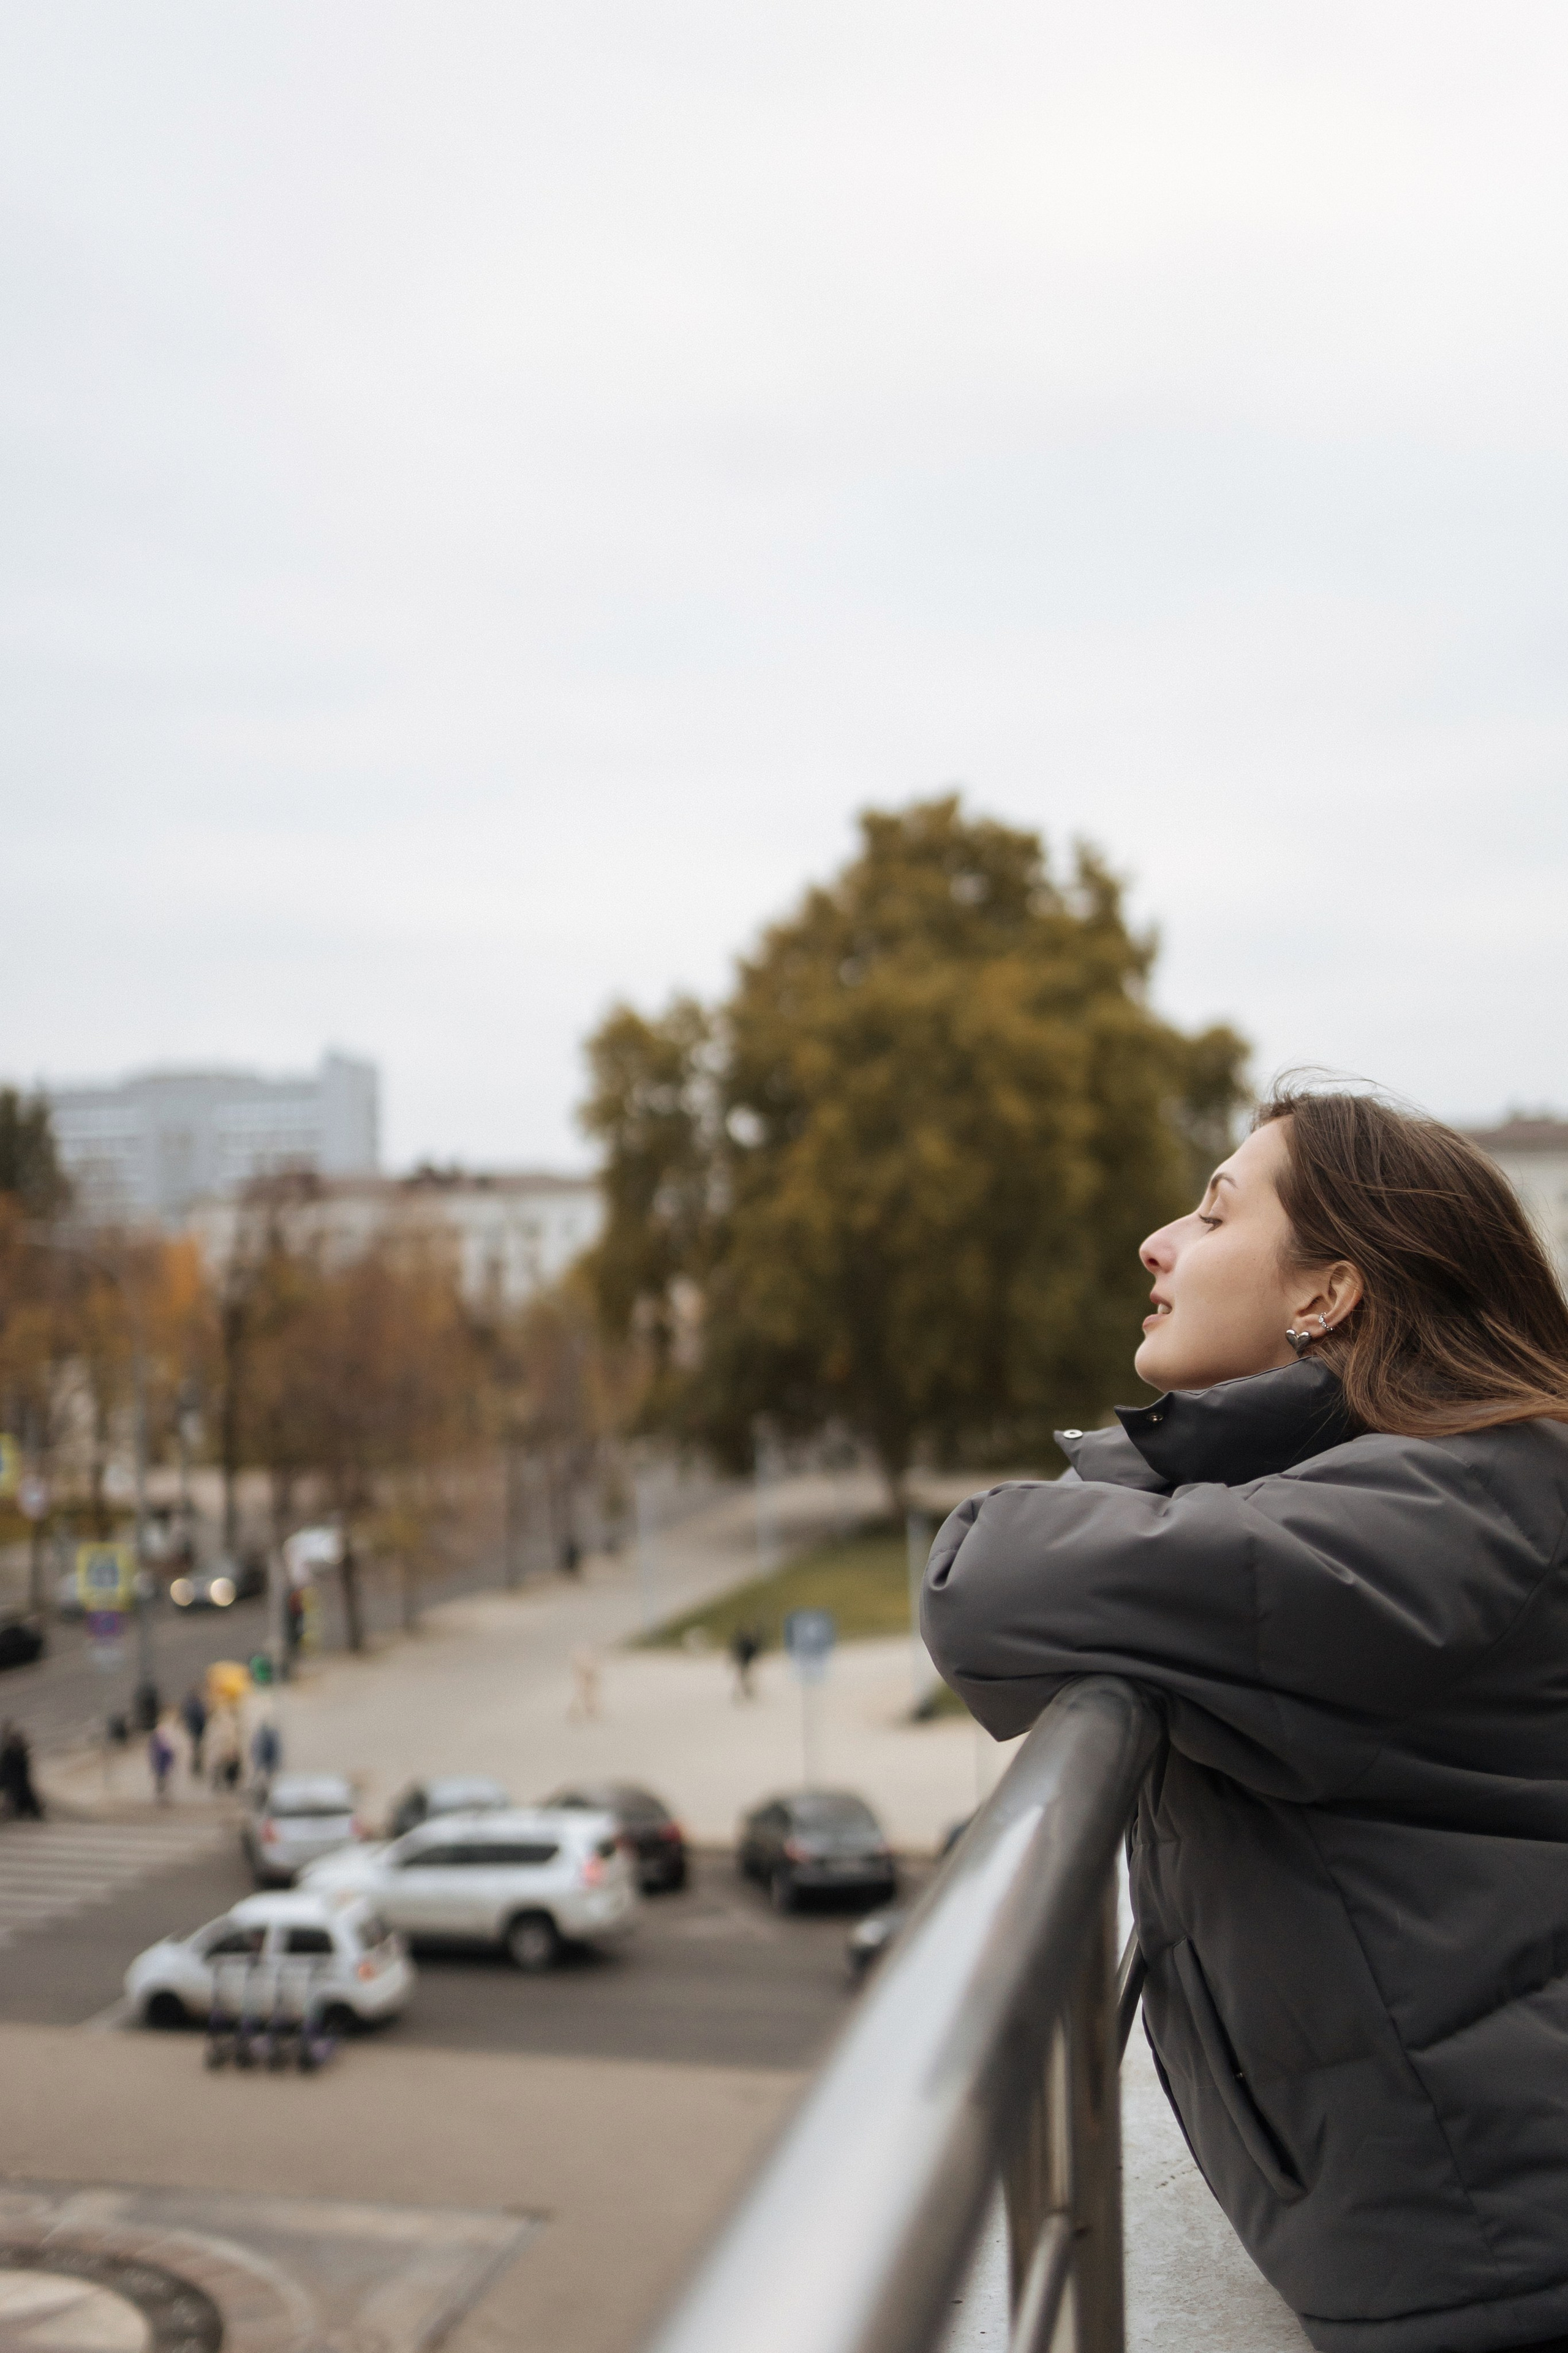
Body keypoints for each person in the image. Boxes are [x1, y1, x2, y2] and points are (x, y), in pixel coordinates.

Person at [923, 1089, 1568, 2353]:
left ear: (1324, 1295)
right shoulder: (1436, 1482)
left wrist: (1174, 1452)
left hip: (1501, 2273)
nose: (1155, 1243)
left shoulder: (1450, 1506)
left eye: (1213, 1212)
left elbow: (982, 1581)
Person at [0, 1721, 43, 1818]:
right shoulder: (9, 1754)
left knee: (26, 1802)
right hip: (14, 1784)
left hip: (19, 1785)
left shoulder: (18, 1754)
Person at [179, 1684, 207, 1776]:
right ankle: (197, 1767)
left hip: (191, 1730)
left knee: (194, 1749)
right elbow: (201, 1718)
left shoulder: (188, 1704)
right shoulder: (196, 1705)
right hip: (197, 1731)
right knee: (197, 1750)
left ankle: (195, 1767)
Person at [728, 1625, 760, 1701]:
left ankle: (744, 1693)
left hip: (744, 1663)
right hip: (745, 1663)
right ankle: (745, 1693)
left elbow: (736, 1652)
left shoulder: (743, 1643)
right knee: (745, 1678)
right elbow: (754, 1652)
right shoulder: (748, 1643)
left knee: (744, 1679)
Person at [147, 1717, 175, 1804]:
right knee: (161, 1781)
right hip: (160, 1763)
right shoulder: (158, 1736)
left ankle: (164, 1796)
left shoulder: (163, 1736)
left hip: (163, 1763)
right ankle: (161, 1797)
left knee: (164, 1781)